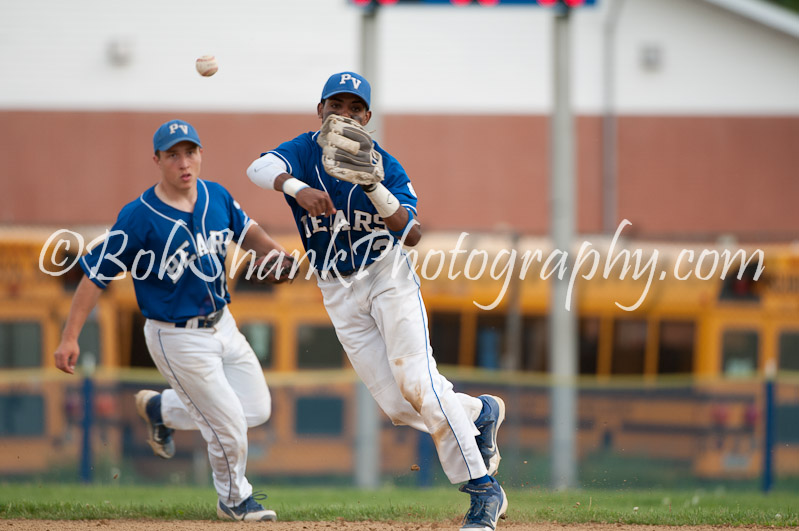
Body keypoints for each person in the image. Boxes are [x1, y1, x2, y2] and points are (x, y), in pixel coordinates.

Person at [246, 72, 508, 530]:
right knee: (398, 406)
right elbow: (257, 168)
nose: (342, 114)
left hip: (387, 277)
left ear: (366, 117)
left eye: (353, 108)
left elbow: (411, 233)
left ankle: (483, 492)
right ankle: (480, 412)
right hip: (336, 288)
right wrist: (297, 189)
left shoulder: (383, 164)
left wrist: (371, 184)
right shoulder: (303, 151)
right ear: (320, 110)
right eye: (335, 105)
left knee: (419, 386)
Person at [54, 119, 293, 522]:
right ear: (158, 160)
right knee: (229, 423)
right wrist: (70, 337)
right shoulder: (139, 217)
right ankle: (234, 499)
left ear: (201, 154)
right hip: (176, 335)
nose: (184, 162)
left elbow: (247, 230)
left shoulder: (216, 196)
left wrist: (275, 254)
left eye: (191, 151)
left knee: (255, 409)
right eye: (173, 154)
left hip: (223, 324)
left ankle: (162, 410)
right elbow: (94, 275)